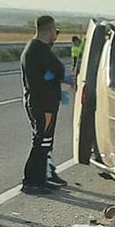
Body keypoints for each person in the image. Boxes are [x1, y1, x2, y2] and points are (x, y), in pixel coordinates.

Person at [20, 15, 72, 194]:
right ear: (50, 30)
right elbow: (58, 69)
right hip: (43, 104)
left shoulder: (35, 48)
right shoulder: (39, 50)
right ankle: (32, 182)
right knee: (41, 142)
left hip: (42, 102)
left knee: (44, 142)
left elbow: (50, 73)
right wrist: (58, 76)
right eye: (55, 30)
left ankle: (41, 178)